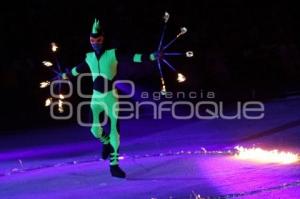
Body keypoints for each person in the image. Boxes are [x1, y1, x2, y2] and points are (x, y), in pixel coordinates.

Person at [63, 19, 156, 178]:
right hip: (96, 99)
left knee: (115, 131)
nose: (95, 44)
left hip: (111, 97)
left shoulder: (112, 54)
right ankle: (105, 143)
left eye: (98, 41)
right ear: (90, 41)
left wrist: (152, 56)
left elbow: (132, 57)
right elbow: (76, 70)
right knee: (95, 130)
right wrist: (64, 75)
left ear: (103, 40)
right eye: (92, 41)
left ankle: (114, 166)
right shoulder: (89, 57)